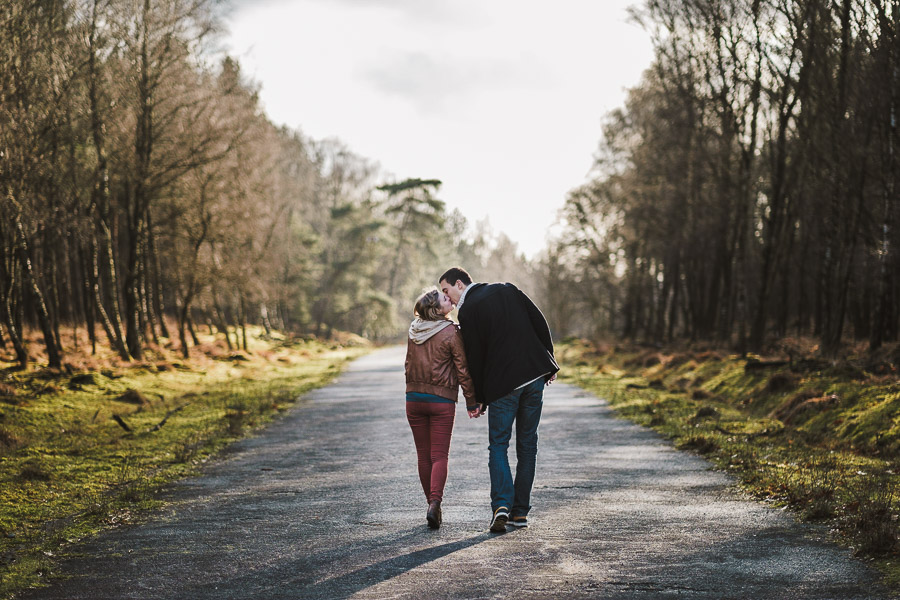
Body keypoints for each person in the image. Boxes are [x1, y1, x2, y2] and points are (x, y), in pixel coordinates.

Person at [439, 267, 559, 533]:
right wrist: (549, 363)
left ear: (459, 284)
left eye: (447, 291)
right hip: (534, 377)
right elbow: (539, 322)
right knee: (528, 446)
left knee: (498, 445)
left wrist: (478, 398)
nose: (448, 299)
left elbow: (475, 357)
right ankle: (520, 513)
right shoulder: (507, 288)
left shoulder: (467, 311)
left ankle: (502, 506)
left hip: (504, 387)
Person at [404, 287, 478, 529]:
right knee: (439, 456)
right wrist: (471, 400)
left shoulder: (414, 330)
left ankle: (431, 505)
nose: (450, 300)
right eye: (445, 299)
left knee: (423, 456)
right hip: (441, 400)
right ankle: (435, 503)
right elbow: (463, 369)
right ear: (437, 310)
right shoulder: (450, 332)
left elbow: (408, 364)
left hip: (413, 398)